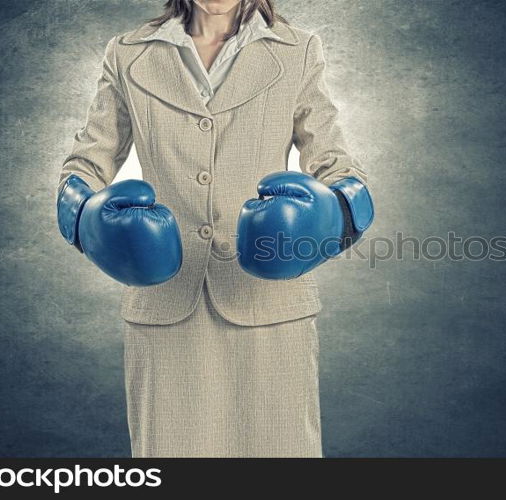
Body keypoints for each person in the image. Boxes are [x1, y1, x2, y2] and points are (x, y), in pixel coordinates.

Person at [55, 0, 373, 458]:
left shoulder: (297, 50)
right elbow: (85, 164)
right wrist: (86, 218)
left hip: (269, 300)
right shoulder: (127, 53)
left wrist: (333, 212)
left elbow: (336, 164)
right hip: (165, 298)